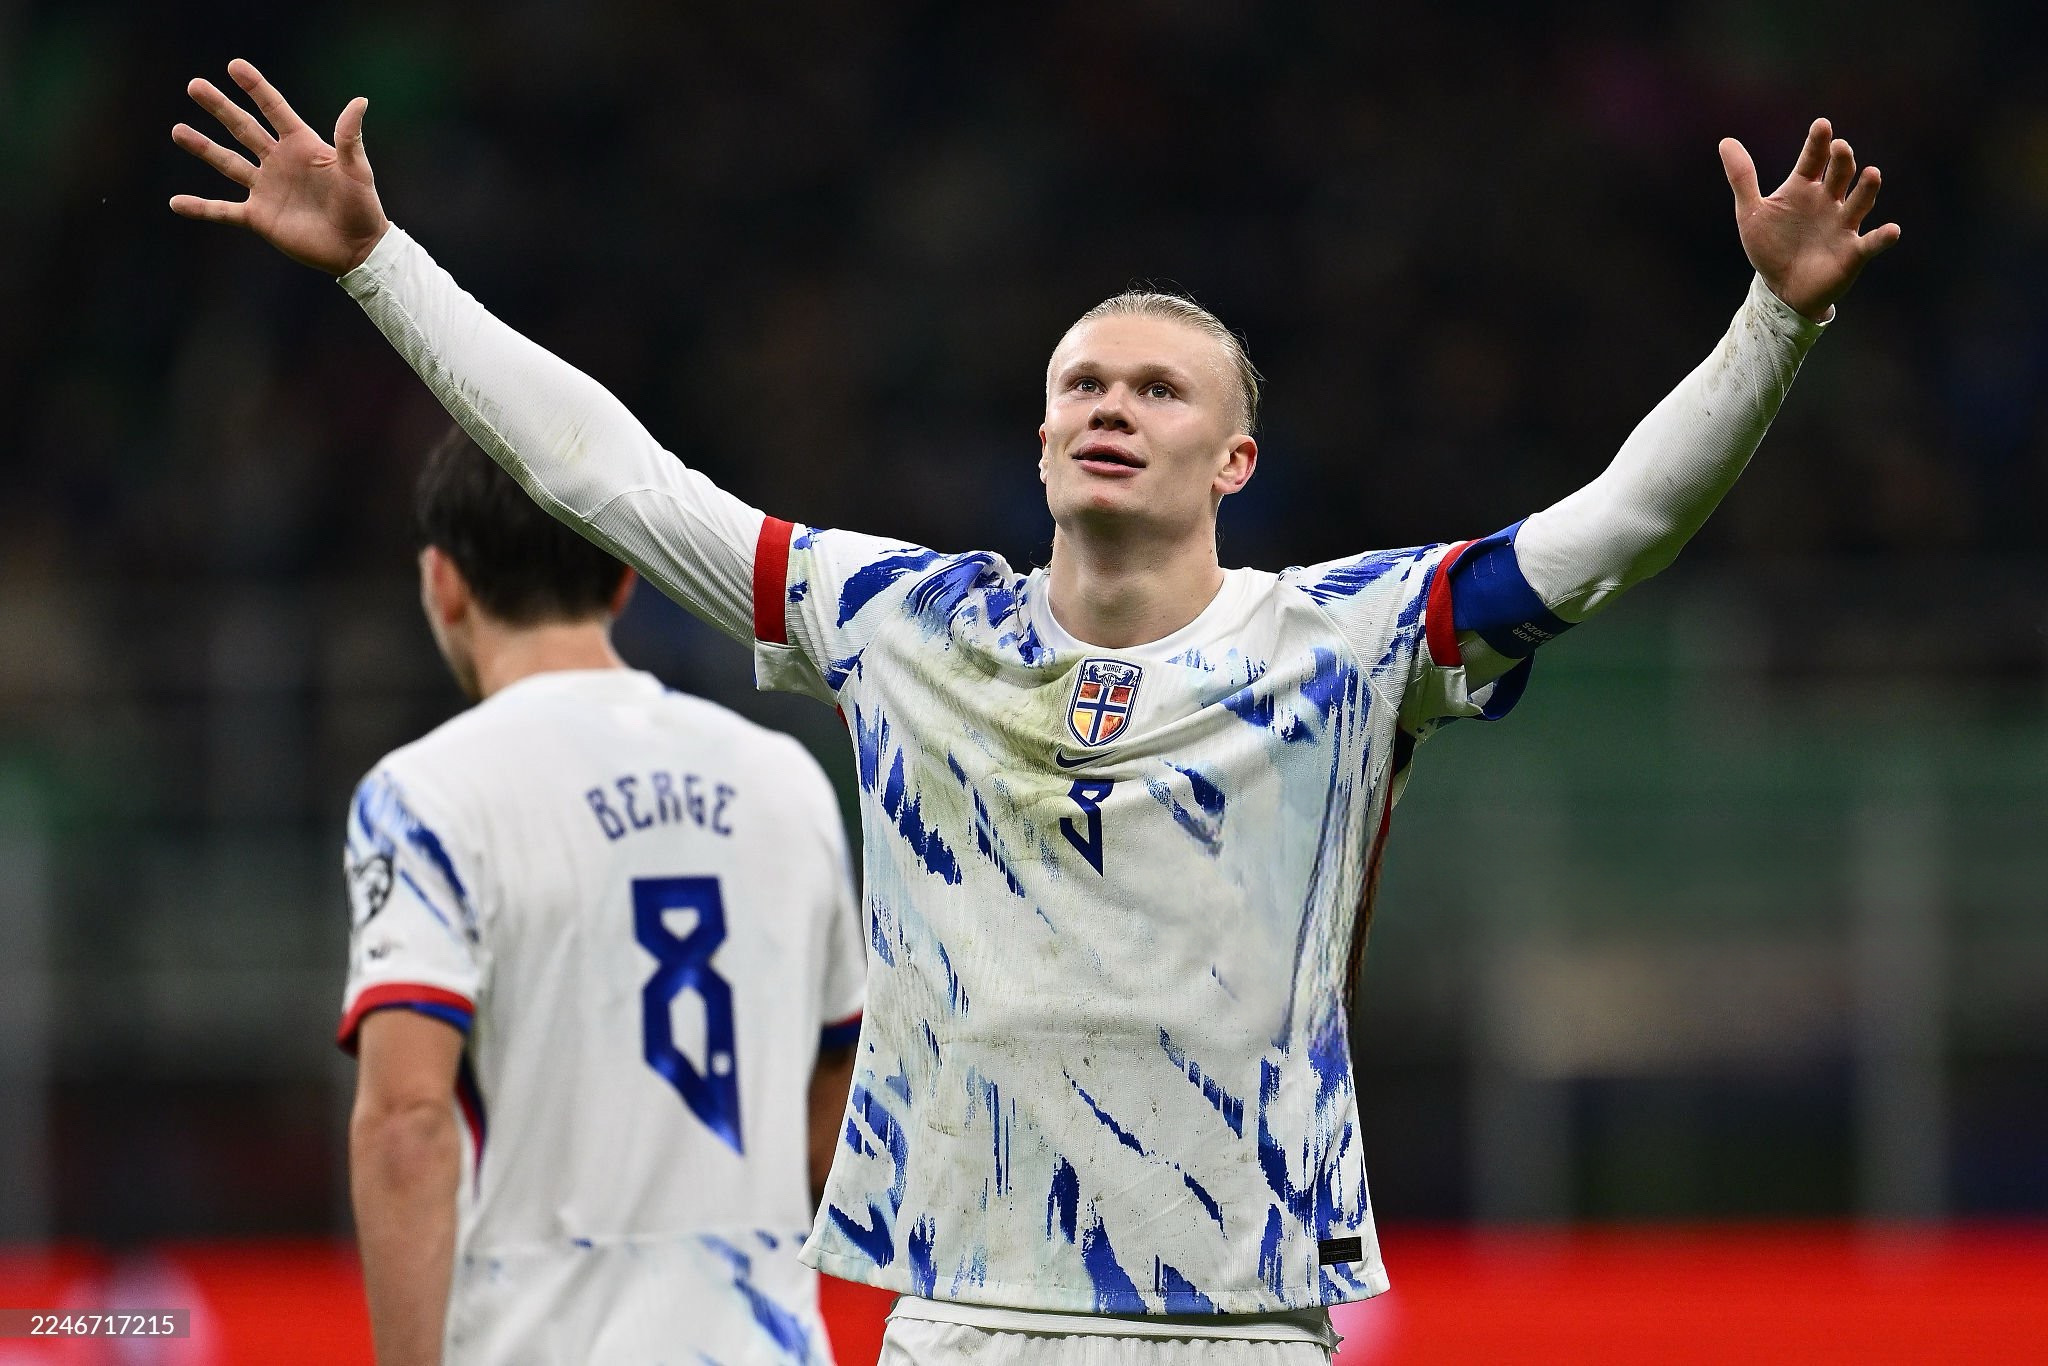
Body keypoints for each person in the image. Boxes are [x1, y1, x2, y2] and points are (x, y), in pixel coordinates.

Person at [173, 59, 1898, 1363]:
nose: (1110, 404)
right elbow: (610, 475)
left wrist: (1774, 325)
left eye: (1158, 388)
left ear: (1235, 458)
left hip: (1239, 1322)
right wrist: (379, 263)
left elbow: (1611, 531)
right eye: (1082, 381)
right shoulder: (905, 626)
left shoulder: (1350, 640)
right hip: (962, 1318)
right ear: (1043, 431)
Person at [335, 425, 864, 1365]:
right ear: (626, 577)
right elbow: (841, 1102)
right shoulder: (786, 781)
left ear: (442, 582)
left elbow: (407, 1123)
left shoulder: (425, 796)